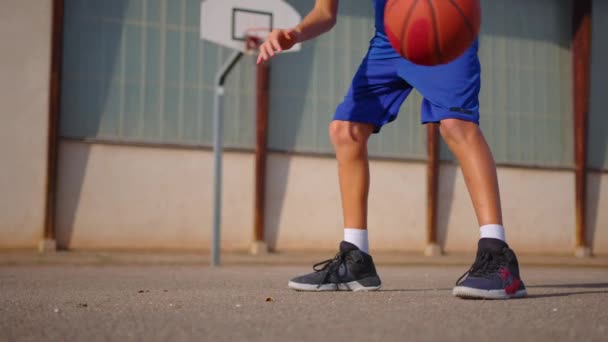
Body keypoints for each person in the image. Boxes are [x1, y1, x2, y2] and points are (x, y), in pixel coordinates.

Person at [257, 0, 526, 299]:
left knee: (456, 124)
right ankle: (356, 259)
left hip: (443, 26)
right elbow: (325, 14)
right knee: (346, 130)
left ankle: (497, 253)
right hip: (389, 41)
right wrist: (294, 34)